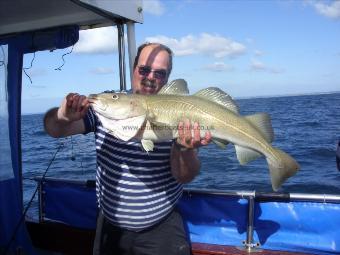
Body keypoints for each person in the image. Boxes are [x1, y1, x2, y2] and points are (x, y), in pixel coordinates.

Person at [44, 42, 212, 255]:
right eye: (144, 69)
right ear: (133, 69)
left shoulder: (179, 113)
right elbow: (55, 130)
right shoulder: (107, 105)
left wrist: (184, 149)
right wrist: (63, 116)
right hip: (110, 228)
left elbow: (184, 176)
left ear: (168, 78)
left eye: (160, 73)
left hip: (161, 227)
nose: (151, 77)